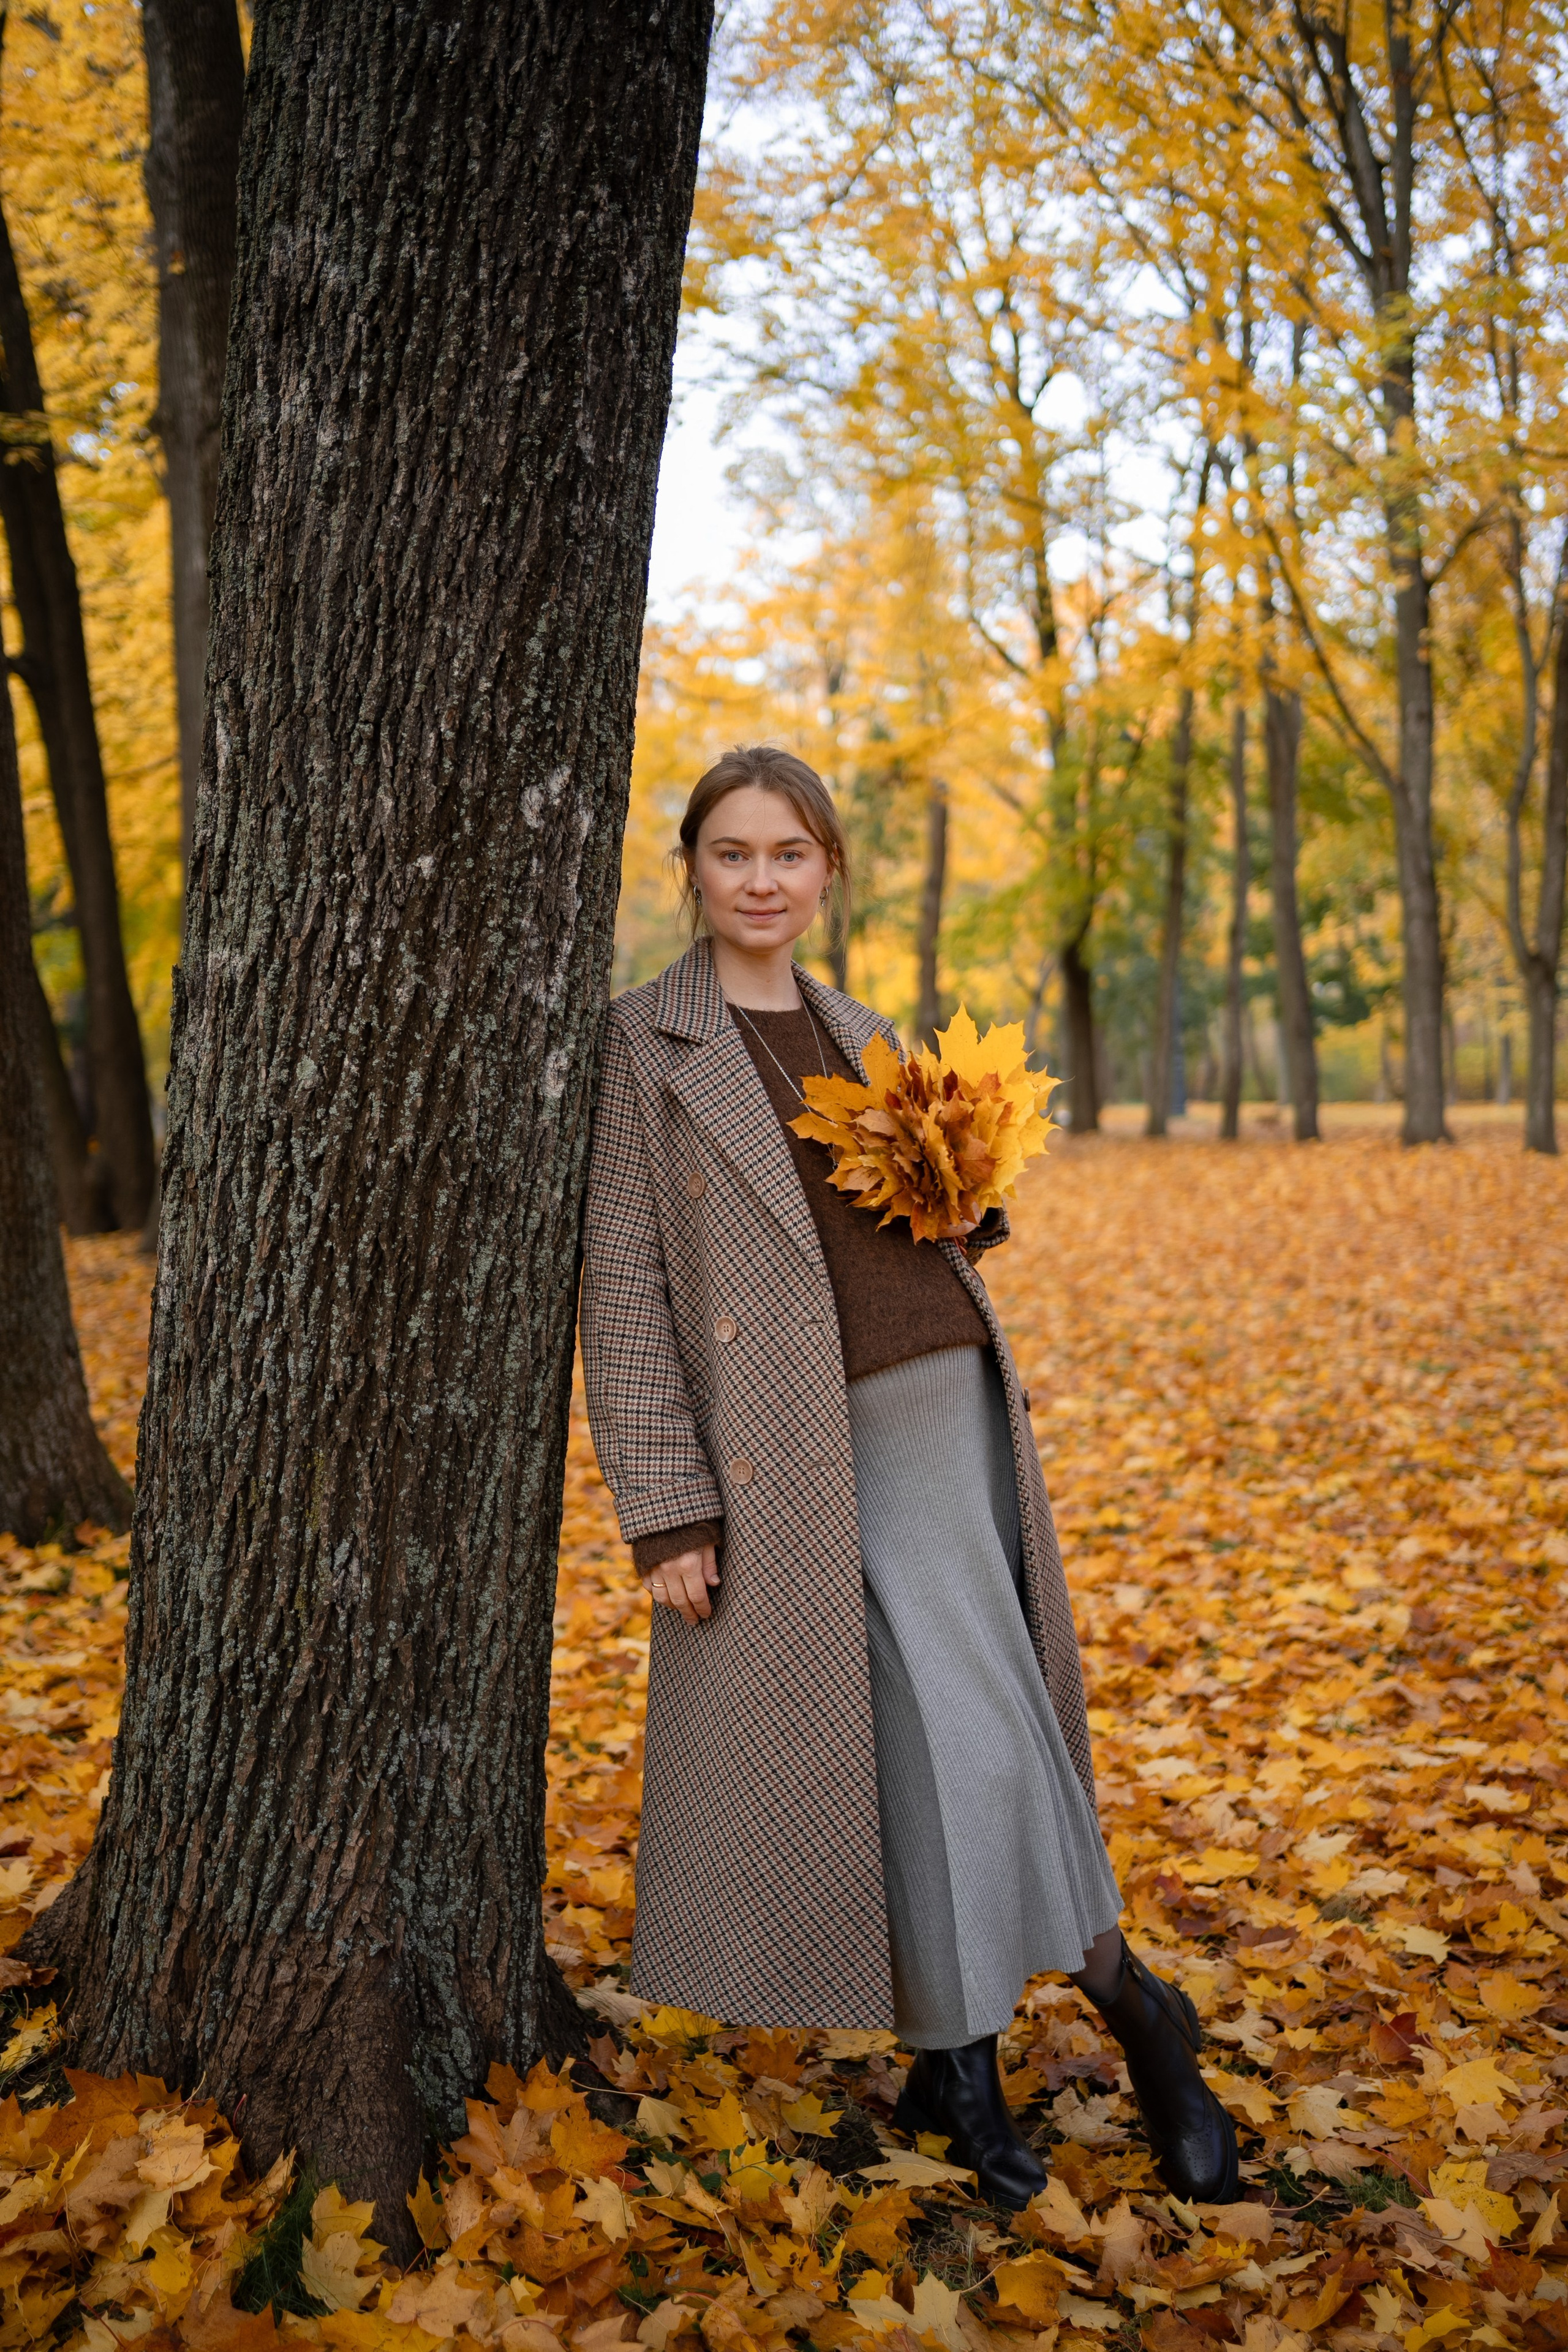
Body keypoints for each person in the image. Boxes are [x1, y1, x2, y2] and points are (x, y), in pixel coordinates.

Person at [579, 744, 1237, 2209]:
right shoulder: (636, 1048)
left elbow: (911, 1227)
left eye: (790, 854)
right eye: (733, 852)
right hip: (786, 1450)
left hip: (941, 1414)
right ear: (689, 866)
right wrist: (665, 1505)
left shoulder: (864, 1028)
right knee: (926, 1749)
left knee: (976, 1733)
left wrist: (960, 1199)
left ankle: (1010, 2053)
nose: (761, 881)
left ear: (826, 873)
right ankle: (1071, 2032)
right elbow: (622, 1288)